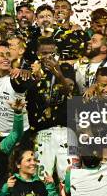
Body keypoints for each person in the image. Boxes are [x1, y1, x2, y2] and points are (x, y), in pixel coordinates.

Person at [27, 37, 76, 180]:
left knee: (71, 176)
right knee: (42, 176)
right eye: (43, 53)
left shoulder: (66, 68)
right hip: (43, 131)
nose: (47, 57)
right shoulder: (32, 71)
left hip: (67, 130)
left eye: (51, 53)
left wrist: (57, 73)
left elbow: (69, 91)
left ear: (57, 53)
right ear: (37, 53)